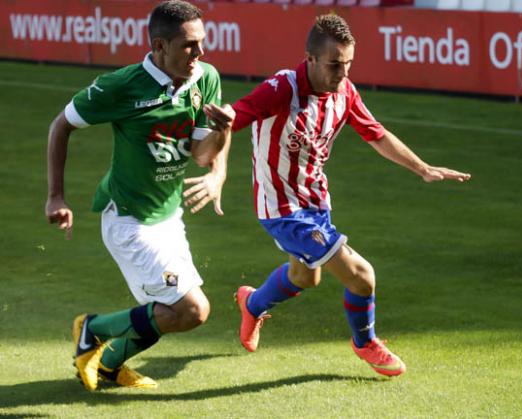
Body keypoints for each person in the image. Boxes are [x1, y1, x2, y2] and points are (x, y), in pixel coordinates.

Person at [195, 14, 471, 377]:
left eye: (349, 64)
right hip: (282, 209)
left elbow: (376, 134)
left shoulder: (345, 92)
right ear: (310, 59)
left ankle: (253, 304)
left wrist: (422, 168)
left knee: (306, 277)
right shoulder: (282, 88)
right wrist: (226, 117)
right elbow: (241, 111)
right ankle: (366, 342)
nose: (342, 73)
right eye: (335, 65)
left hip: (315, 203)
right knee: (362, 276)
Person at [45, 0, 231, 391]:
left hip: (168, 217)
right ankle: (92, 329)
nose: (200, 53)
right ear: (160, 47)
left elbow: (202, 154)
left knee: (172, 312)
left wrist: (221, 148)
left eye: (201, 42)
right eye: (189, 45)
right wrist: (56, 197)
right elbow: (60, 126)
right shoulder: (122, 85)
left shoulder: (205, 78)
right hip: (128, 221)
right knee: (193, 309)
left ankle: (110, 366)